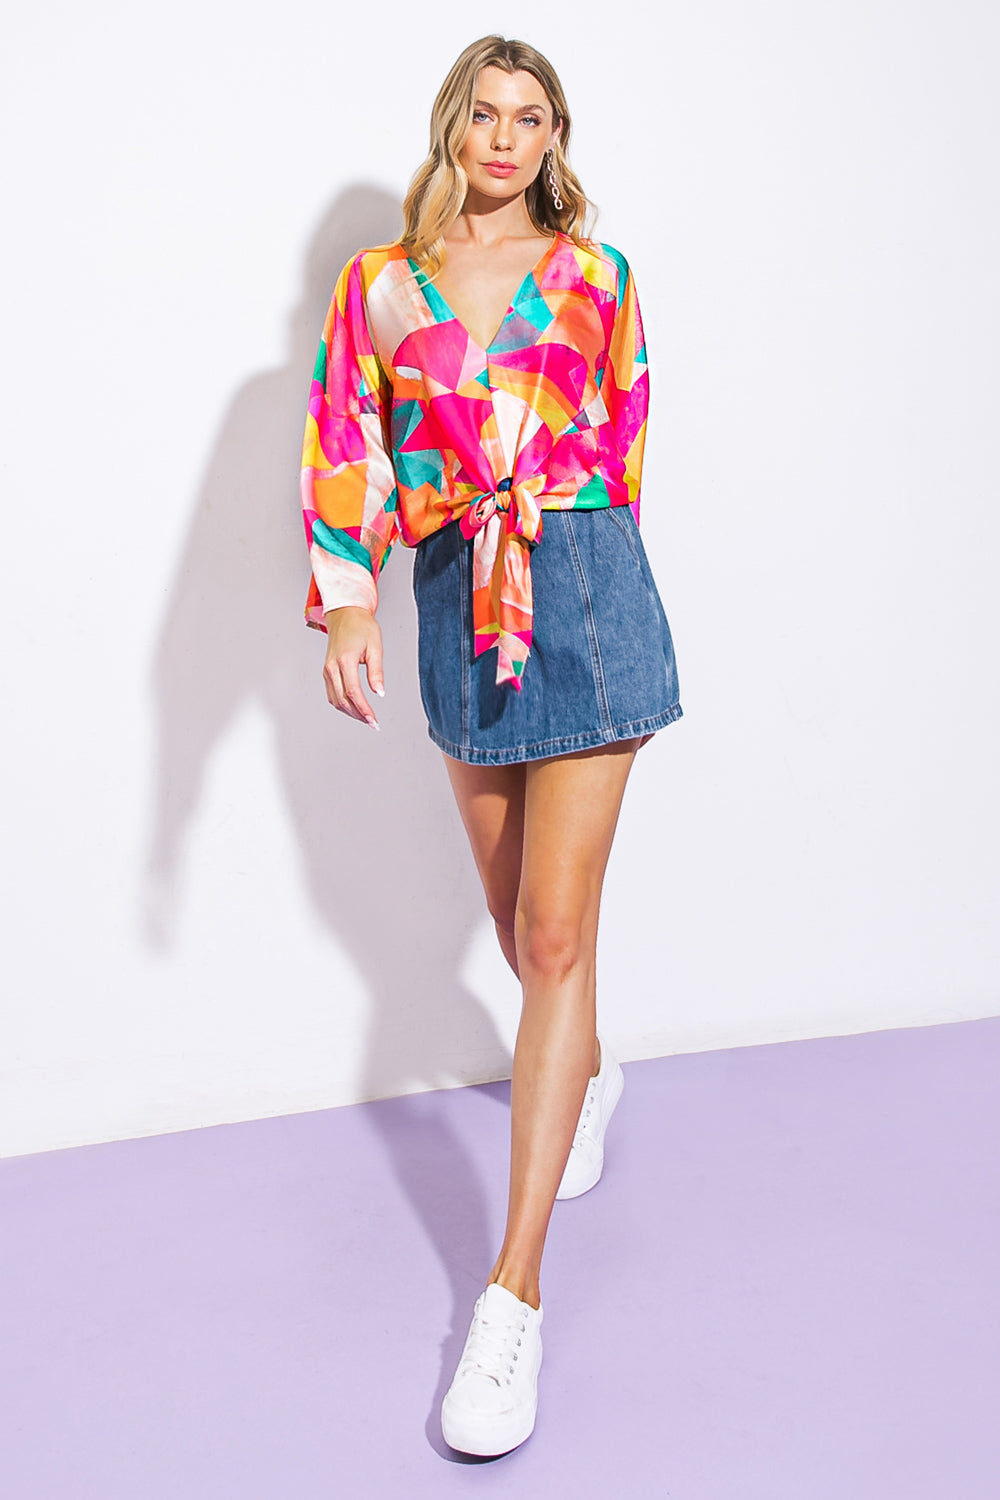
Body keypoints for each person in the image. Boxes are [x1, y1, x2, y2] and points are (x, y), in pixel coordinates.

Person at [300, 34, 683, 1457]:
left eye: (532, 117)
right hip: (462, 597)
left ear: (554, 137)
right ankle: (587, 1072)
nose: (507, 137)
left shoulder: (600, 274)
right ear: (452, 127)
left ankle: (509, 1299)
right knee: (524, 932)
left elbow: (627, 435)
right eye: (486, 113)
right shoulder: (380, 287)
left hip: (586, 588)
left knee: (559, 935)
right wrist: (351, 603)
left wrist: (574, 550)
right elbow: (344, 440)